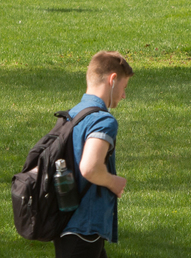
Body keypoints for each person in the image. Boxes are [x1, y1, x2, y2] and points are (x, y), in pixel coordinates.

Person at [56, 51, 133, 258]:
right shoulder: (103, 121)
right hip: (85, 228)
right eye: (124, 88)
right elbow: (89, 168)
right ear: (113, 79)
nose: (124, 95)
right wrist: (113, 182)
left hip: (67, 224)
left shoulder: (72, 115)